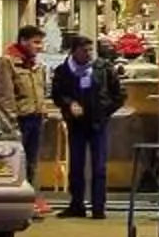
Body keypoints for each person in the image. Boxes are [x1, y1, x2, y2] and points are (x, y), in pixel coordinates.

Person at [49, 31, 122, 218]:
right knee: (76, 166)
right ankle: (77, 205)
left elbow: (119, 95)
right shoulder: (63, 71)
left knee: (99, 166)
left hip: (98, 124)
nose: (89, 53)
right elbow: (57, 94)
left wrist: (105, 111)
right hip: (76, 125)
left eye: (91, 49)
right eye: (84, 50)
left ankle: (99, 207)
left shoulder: (103, 68)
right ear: (74, 52)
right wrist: (69, 104)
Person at [0, 25, 54, 217]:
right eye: (36, 42)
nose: (40, 47)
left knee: (32, 163)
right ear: (23, 41)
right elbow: (4, 96)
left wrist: (43, 110)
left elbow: (39, 91)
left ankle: (31, 199)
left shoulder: (36, 66)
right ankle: (15, 203)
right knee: (15, 163)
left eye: (41, 42)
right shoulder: (7, 63)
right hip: (20, 121)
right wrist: (12, 124)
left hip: (36, 118)